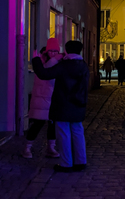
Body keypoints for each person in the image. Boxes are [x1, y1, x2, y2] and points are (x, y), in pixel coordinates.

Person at [32, 40, 89, 173]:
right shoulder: (83, 66)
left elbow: (44, 74)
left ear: (67, 51)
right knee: (78, 132)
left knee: (63, 134)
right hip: (78, 104)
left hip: (63, 105)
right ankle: (81, 161)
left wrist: (36, 59)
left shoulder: (64, 65)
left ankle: (66, 163)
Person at [22, 41, 60, 159]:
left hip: (53, 98)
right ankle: (27, 148)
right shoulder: (41, 61)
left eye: (56, 51)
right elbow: (44, 71)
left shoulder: (57, 63)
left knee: (52, 124)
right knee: (38, 124)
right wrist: (57, 59)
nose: (53, 53)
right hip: (42, 98)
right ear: (46, 51)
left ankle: (51, 148)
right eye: (51, 51)